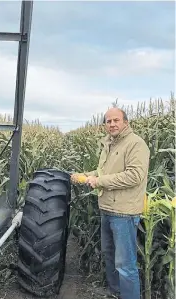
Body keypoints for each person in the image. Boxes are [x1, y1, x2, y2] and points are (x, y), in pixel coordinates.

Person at [71, 107, 150, 299]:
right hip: (107, 208)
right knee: (110, 255)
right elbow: (104, 171)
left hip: (124, 212)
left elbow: (134, 176)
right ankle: (116, 292)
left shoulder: (136, 144)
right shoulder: (109, 144)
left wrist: (100, 182)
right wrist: (86, 176)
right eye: (108, 121)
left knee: (125, 264)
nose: (112, 124)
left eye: (116, 120)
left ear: (126, 122)